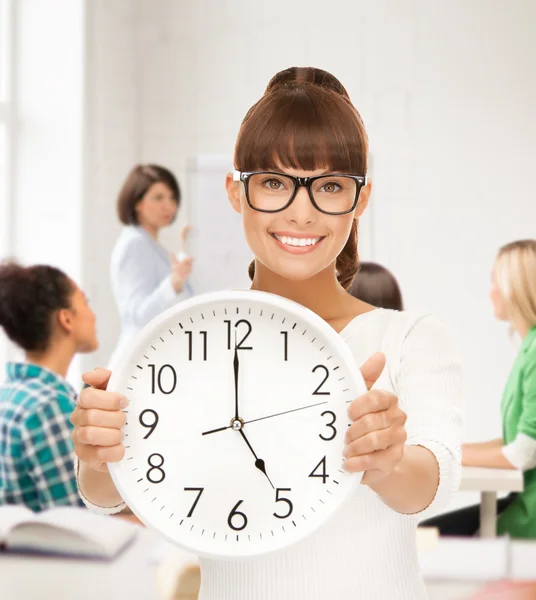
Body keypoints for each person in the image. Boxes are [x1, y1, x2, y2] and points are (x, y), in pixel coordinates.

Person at [71, 67, 463, 599]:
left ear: (360, 199)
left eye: (329, 186)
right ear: (237, 191)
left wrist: (387, 460)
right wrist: (98, 450)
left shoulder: (409, 336)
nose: (301, 214)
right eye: (276, 183)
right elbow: (109, 495)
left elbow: (433, 482)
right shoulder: (185, 343)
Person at [423, 240, 536, 538]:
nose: (491, 291)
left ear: (515, 287)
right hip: (522, 499)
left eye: (494, 280)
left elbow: (522, 454)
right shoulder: (528, 348)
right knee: (428, 532)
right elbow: (516, 439)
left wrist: (447, 455)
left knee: (429, 536)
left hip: (530, 513)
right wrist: (446, 449)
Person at [0, 261, 98, 511]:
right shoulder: (49, 406)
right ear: (66, 318)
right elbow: (78, 521)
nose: (93, 314)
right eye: (85, 301)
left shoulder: (10, 395)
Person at [109, 164, 194, 368]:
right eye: (158, 198)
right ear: (137, 202)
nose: (169, 206)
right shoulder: (135, 244)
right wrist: (173, 283)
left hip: (150, 358)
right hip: (138, 360)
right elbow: (139, 314)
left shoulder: (149, 244)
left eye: (172, 198)